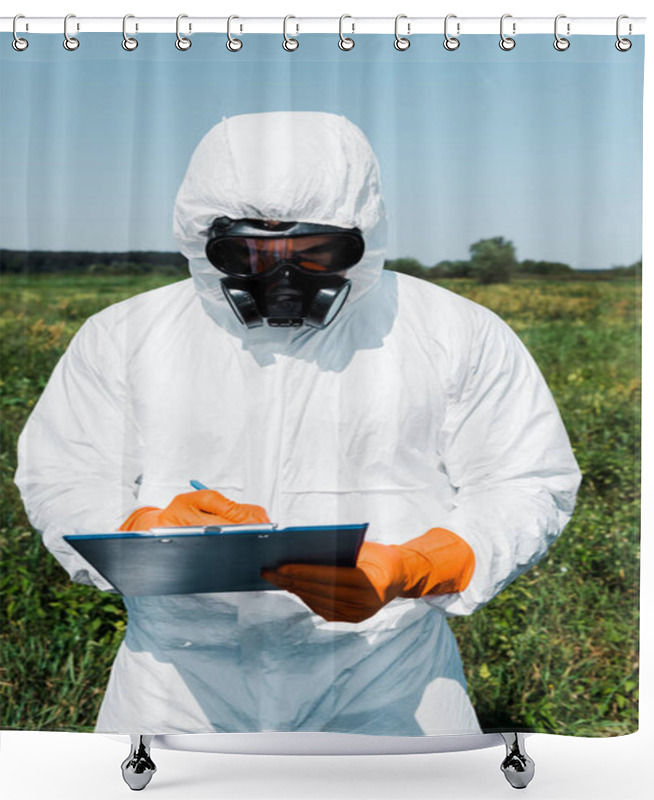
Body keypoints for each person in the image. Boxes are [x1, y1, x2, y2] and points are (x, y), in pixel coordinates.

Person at [15, 111, 581, 736]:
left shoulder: (454, 332)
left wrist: (414, 566)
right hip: (177, 682)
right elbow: (63, 473)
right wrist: (137, 528)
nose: (283, 279)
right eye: (251, 254)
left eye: (316, 254)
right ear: (204, 244)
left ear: (361, 236)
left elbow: (526, 480)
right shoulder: (124, 337)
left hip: (387, 676)